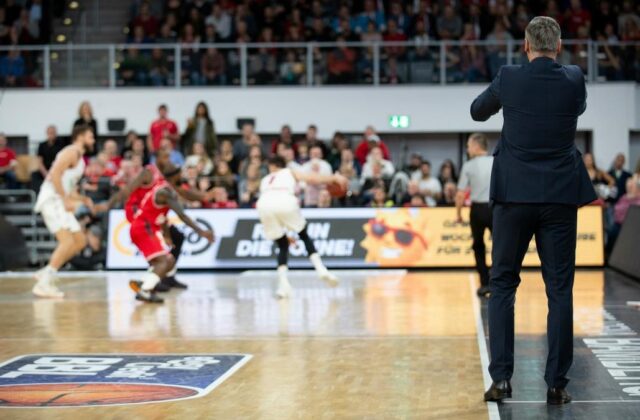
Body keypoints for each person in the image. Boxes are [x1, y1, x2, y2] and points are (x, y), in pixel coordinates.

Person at [471, 17, 596, 405]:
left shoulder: (509, 77)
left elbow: (478, 112)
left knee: (503, 285)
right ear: (558, 47)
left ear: (526, 46)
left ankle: (503, 380)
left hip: (513, 197)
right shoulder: (574, 78)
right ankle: (557, 383)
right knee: (559, 289)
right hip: (559, 196)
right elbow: (579, 106)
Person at [104, 148, 214, 291]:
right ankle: (153, 282)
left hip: (154, 216)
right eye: (165, 157)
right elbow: (128, 190)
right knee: (159, 253)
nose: (168, 159)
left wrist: (204, 196)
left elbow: (182, 192)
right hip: (138, 213)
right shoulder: (149, 172)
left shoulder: (165, 179)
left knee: (176, 239)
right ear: (156, 158)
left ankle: (160, 278)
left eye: (169, 157)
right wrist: (109, 204)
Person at [257, 155, 346, 298]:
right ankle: (321, 269)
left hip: (263, 203)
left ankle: (283, 284)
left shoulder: (265, 180)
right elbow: (311, 178)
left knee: (282, 244)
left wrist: (284, 234)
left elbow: (271, 207)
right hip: (284, 198)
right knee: (303, 235)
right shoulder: (289, 171)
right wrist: (333, 178)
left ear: (272, 166)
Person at [128, 164, 214, 303]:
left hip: (147, 227)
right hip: (144, 227)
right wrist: (202, 232)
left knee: (169, 261)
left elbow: (162, 217)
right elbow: (182, 215)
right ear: (175, 176)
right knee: (164, 262)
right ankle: (145, 290)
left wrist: (167, 235)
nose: (182, 176)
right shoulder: (165, 192)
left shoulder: (164, 188)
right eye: (181, 173)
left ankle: (144, 283)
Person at [32, 125, 96, 298]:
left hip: (60, 199)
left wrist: (83, 199)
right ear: (80, 136)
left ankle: (46, 271)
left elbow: (70, 188)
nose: (94, 139)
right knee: (67, 241)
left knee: (80, 241)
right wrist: (66, 199)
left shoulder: (80, 159)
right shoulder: (71, 151)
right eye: (91, 135)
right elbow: (54, 175)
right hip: (52, 199)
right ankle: (44, 283)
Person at [455, 133, 494, 298]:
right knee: (499, 246)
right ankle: (498, 282)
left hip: (477, 209)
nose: (467, 149)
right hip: (495, 207)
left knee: (478, 246)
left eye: (469, 145)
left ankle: (485, 283)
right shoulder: (496, 162)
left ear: (477, 146)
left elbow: (460, 194)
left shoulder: (469, 166)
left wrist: (458, 214)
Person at [32, 126, 64, 192]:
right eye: (50, 133)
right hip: (45, 170)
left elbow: (62, 160)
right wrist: (46, 174)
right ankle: (37, 195)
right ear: (47, 133)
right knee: (34, 175)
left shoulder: (61, 144)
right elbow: (39, 162)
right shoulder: (42, 145)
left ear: (56, 133)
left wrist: (54, 172)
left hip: (57, 169)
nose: (51, 135)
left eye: (53, 133)